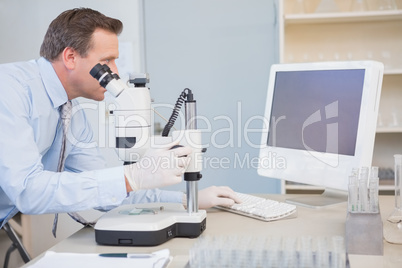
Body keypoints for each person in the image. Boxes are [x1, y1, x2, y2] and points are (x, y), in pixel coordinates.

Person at [0, 8, 241, 233]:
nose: (115, 71)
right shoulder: (9, 90)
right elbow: (28, 191)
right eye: (107, 61)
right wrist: (131, 176)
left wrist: (186, 199)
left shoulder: (72, 116)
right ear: (71, 57)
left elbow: (112, 191)